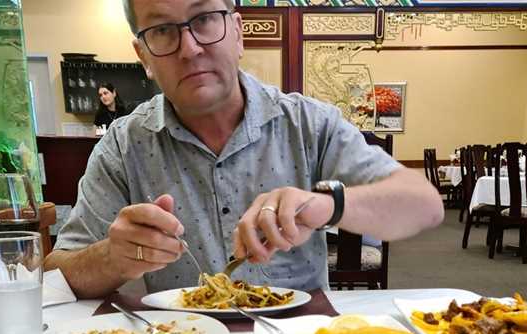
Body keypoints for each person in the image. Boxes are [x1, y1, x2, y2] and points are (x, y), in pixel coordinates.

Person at [45, 0, 444, 299]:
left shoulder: (308, 123)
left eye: (204, 19)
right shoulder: (123, 144)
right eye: (163, 30)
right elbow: (58, 275)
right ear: (143, 56)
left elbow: (424, 205)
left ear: (237, 32)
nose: (190, 48)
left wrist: (327, 205)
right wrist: (112, 258)